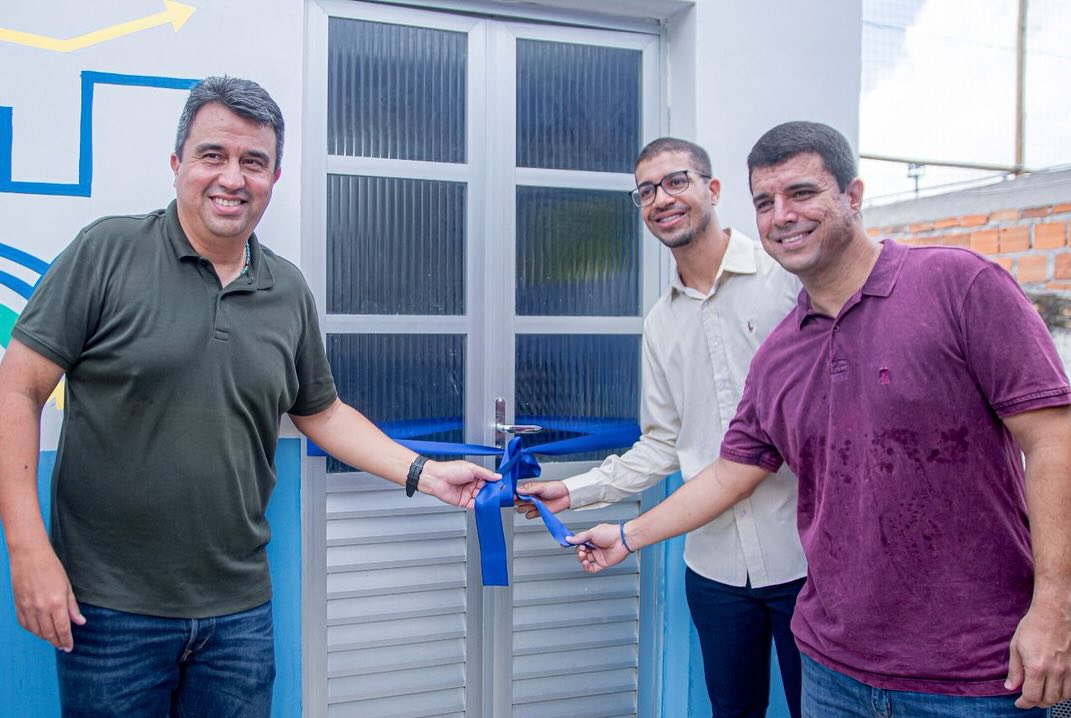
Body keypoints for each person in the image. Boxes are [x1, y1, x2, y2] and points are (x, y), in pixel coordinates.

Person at [0, 76, 495, 717]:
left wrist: (425, 472)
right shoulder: (106, 252)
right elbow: (18, 387)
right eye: (213, 155)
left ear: (273, 177)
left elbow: (321, 411)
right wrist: (28, 551)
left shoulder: (286, 290)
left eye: (253, 162)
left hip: (238, 618)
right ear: (177, 163)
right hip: (108, 611)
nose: (232, 178)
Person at [569, 121, 1071, 717]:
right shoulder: (778, 354)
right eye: (765, 203)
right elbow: (729, 472)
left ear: (852, 196)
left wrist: (1054, 608)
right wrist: (625, 533)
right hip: (834, 671)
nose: (782, 215)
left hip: (973, 674)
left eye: (802, 193)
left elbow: (1053, 439)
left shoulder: (959, 284)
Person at [516, 137, 806, 718]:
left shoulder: (785, 280)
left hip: (806, 557)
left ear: (712, 189)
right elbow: (663, 444)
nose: (661, 199)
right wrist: (572, 491)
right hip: (715, 568)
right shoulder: (660, 322)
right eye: (646, 191)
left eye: (676, 181)